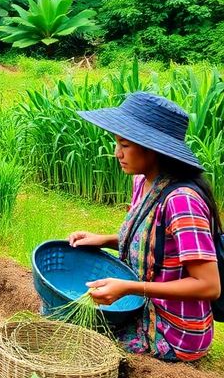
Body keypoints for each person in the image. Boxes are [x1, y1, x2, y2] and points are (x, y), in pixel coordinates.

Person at [70, 91, 220, 361]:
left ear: (152, 148)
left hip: (175, 330)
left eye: (124, 144)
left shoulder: (182, 201)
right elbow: (154, 243)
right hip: (145, 306)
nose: (117, 153)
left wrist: (130, 288)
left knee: (77, 333)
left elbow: (208, 285)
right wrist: (103, 239)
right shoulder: (143, 182)